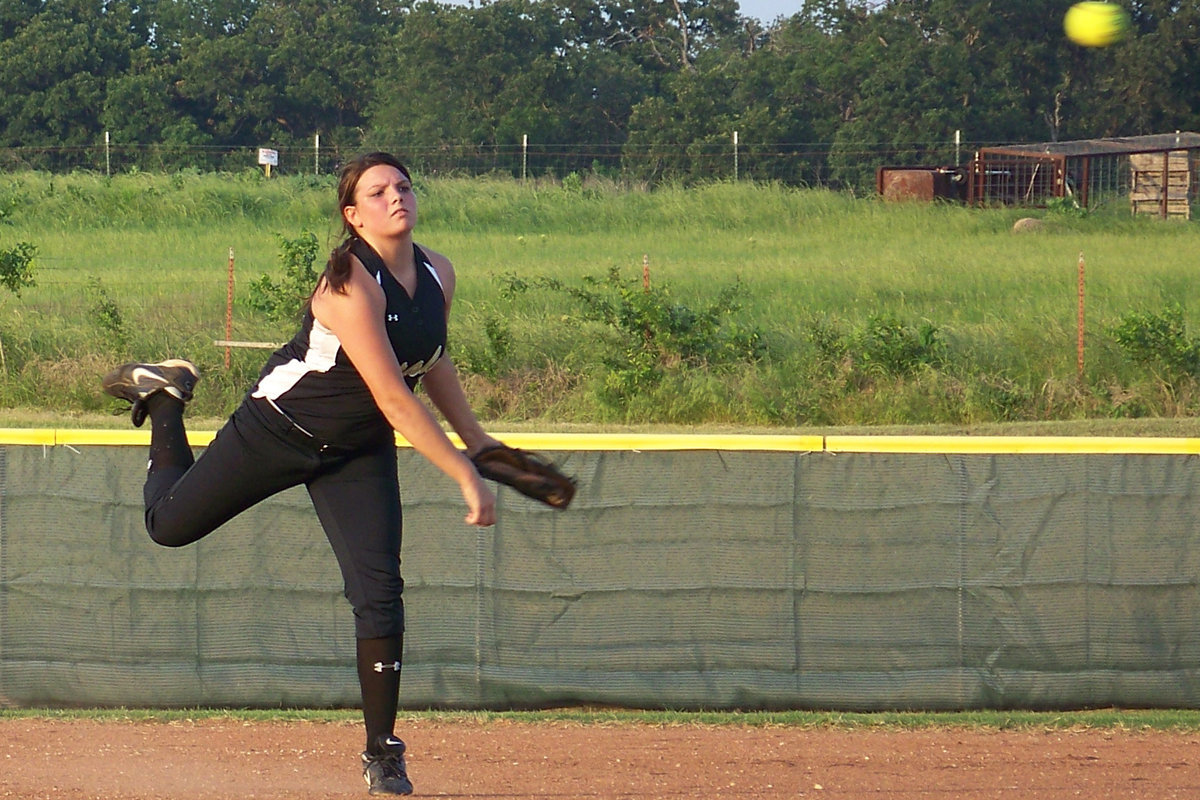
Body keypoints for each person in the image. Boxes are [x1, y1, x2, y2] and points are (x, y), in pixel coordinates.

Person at [102, 152, 499, 796]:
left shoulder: (437, 273)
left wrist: (478, 438)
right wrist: (461, 471)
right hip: (281, 429)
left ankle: (382, 753)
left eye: (403, 185)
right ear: (353, 215)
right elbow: (396, 398)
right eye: (377, 192)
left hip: (357, 448)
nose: (396, 197)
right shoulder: (348, 283)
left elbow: (432, 360)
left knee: (379, 591)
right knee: (167, 526)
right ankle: (168, 401)